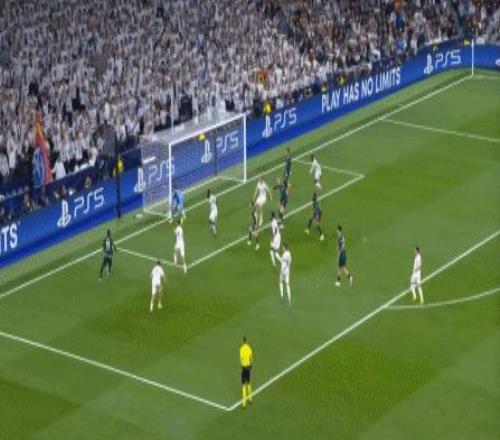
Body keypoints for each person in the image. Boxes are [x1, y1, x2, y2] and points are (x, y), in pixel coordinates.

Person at [239, 336, 253, 409]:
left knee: (243, 384)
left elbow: (241, 359)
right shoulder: (249, 348)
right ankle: (250, 398)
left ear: (243, 341)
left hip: (244, 368)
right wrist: (251, 365)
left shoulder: (241, 349)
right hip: (248, 367)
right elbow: (251, 357)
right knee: (249, 382)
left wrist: (241, 365)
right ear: (246, 341)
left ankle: (244, 403)